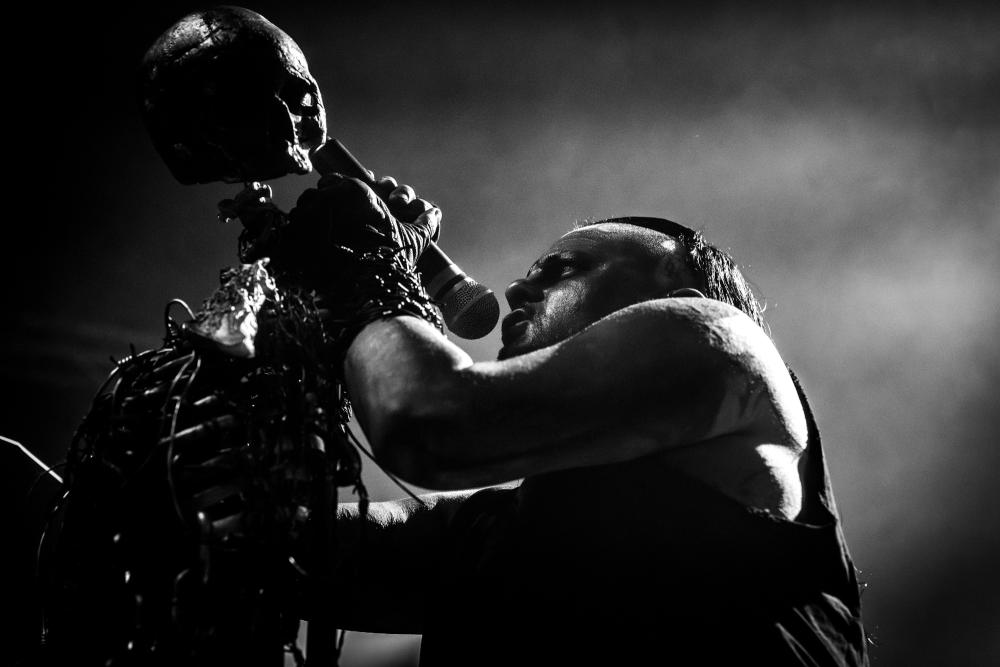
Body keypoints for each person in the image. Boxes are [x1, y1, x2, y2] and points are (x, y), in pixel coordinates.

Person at [284, 173, 871, 665]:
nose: (517, 288)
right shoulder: (493, 531)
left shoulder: (722, 342)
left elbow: (430, 422)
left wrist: (369, 275)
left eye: (563, 268)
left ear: (680, 293)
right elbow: (271, 542)